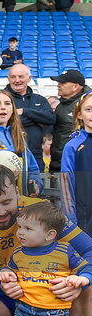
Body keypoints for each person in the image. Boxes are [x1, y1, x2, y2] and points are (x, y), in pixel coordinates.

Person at [4, 63, 54, 170]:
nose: (17, 80)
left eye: (21, 76)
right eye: (13, 77)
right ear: (8, 79)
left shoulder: (39, 99)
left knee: (36, 186)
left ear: (29, 78)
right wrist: (37, 120)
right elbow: (3, 121)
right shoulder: (1, 98)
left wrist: (24, 111)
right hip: (9, 155)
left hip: (36, 155)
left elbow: (51, 118)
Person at [61, 92, 92, 234]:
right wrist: (71, 219)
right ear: (79, 114)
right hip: (85, 217)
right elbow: (66, 186)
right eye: (89, 109)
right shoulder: (72, 146)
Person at [50, 69, 92, 172]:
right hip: (59, 162)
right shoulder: (61, 106)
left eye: (63, 82)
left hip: (81, 163)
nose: (58, 85)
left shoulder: (86, 102)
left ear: (75, 86)